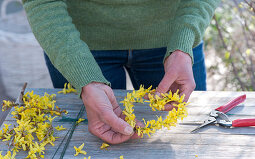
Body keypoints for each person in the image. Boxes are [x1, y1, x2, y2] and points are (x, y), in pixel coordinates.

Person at [22, 0, 220, 144]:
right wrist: (83, 76)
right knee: (91, 141)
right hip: (77, 46)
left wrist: (183, 44)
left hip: (174, 38)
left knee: (191, 138)